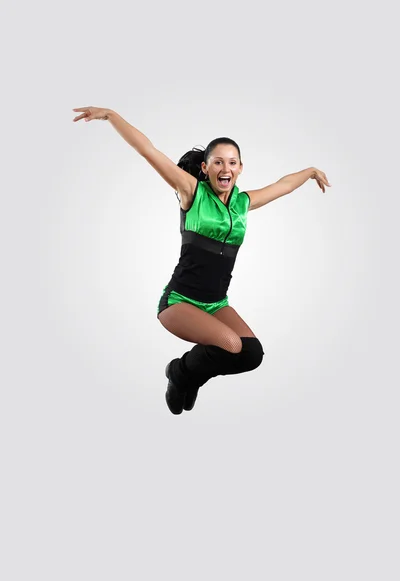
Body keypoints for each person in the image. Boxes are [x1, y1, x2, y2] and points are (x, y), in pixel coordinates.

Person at [73, 106, 331, 415]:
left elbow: (283, 185)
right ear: (206, 168)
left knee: (251, 354)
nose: (226, 168)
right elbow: (149, 151)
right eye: (218, 162)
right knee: (230, 345)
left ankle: (190, 377)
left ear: (240, 168)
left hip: (216, 303)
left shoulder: (242, 203)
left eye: (232, 162)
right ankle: (179, 372)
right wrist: (111, 116)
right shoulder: (192, 193)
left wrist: (311, 171)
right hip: (179, 302)